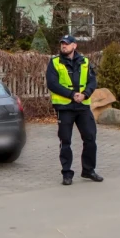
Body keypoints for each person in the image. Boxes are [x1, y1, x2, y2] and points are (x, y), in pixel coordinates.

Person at [46, 34, 103, 186]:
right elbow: (52, 84)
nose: (63, 46)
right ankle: (67, 173)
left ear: (74, 45)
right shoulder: (55, 62)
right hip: (65, 107)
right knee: (65, 141)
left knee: (90, 138)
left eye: (67, 43)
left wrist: (85, 94)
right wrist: (71, 94)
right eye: (62, 44)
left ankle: (88, 170)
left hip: (83, 106)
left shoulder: (85, 61)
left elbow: (92, 81)